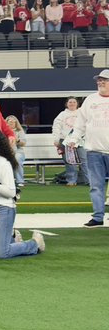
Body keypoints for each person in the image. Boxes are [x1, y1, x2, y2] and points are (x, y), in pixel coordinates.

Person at [0, 126, 45, 258]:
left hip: (2, 208)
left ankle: (34, 244)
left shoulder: (2, 162)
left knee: (1, 252)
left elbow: (11, 192)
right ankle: (12, 239)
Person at [64, 69, 109, 227]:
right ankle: (98, 217)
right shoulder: (90, 100)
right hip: (94, 151)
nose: (100, 82)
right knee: (96, 185)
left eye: (104, 80)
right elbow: (80, 123)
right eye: (99, 80)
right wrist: (74, 138)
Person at [52, 96, 87, 187]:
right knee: (70, 161)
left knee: (85, 160)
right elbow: (56, 127)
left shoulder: (82, 113)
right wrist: (56, 139)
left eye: (74, 102)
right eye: (70, 102)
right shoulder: (62, 114)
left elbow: (87, 125)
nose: (72, 104)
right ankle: (71, 180)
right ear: (66, 104)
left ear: (77, 104)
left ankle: (88, 180)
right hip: (66, 141)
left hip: (80, 140)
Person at [5, 116, 27, 187]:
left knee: (17, 158)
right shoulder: (3, 131)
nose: (11, 123)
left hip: (18, 151)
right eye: (9, 121)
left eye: (13, 121)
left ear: (16, 123)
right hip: (6, 151)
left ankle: (20, 181)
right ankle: (5, 181)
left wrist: (17, 140)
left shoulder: (19, 131)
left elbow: (23, 143)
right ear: (6, 123)